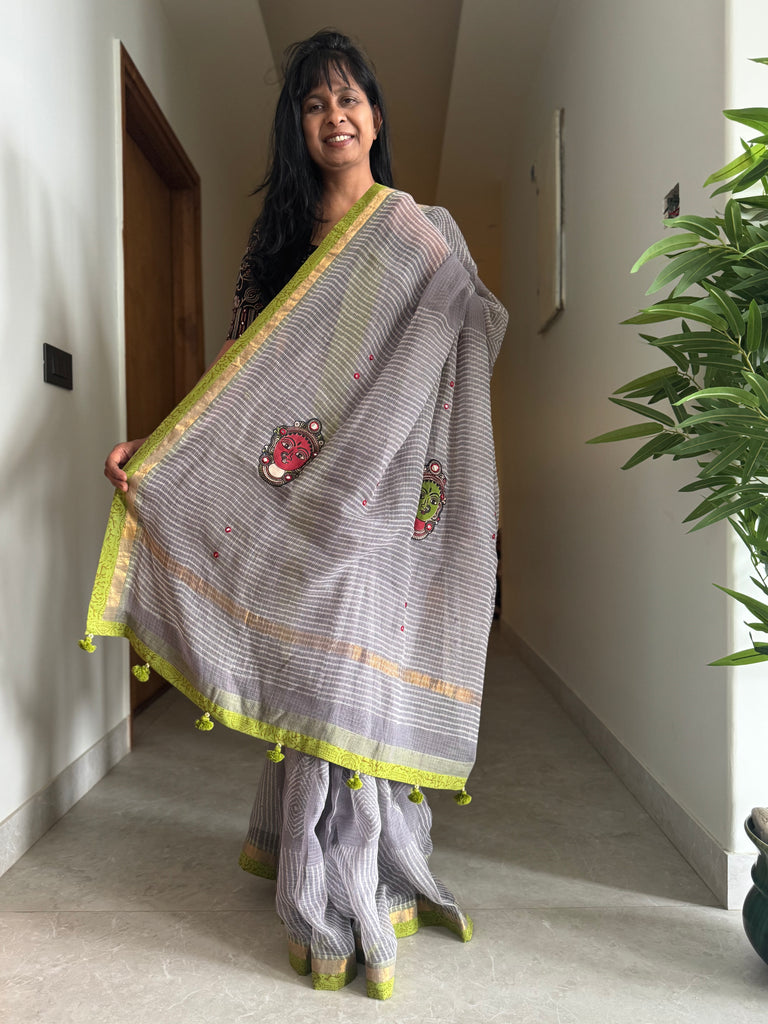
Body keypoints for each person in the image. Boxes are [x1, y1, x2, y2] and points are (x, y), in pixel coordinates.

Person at [96, 30, 507, 1001]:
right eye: (315, 104)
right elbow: (241, 374)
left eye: (348, 97)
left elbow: (473, 323)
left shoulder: (416, 231)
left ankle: (365, 871)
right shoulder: (280, 242)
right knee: (318, 677)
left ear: (376, 113)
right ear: (298, 127)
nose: (335, 116)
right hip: (301, 490)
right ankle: (306, 864)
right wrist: (160, 443)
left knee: (352, 675)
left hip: (387, 494)